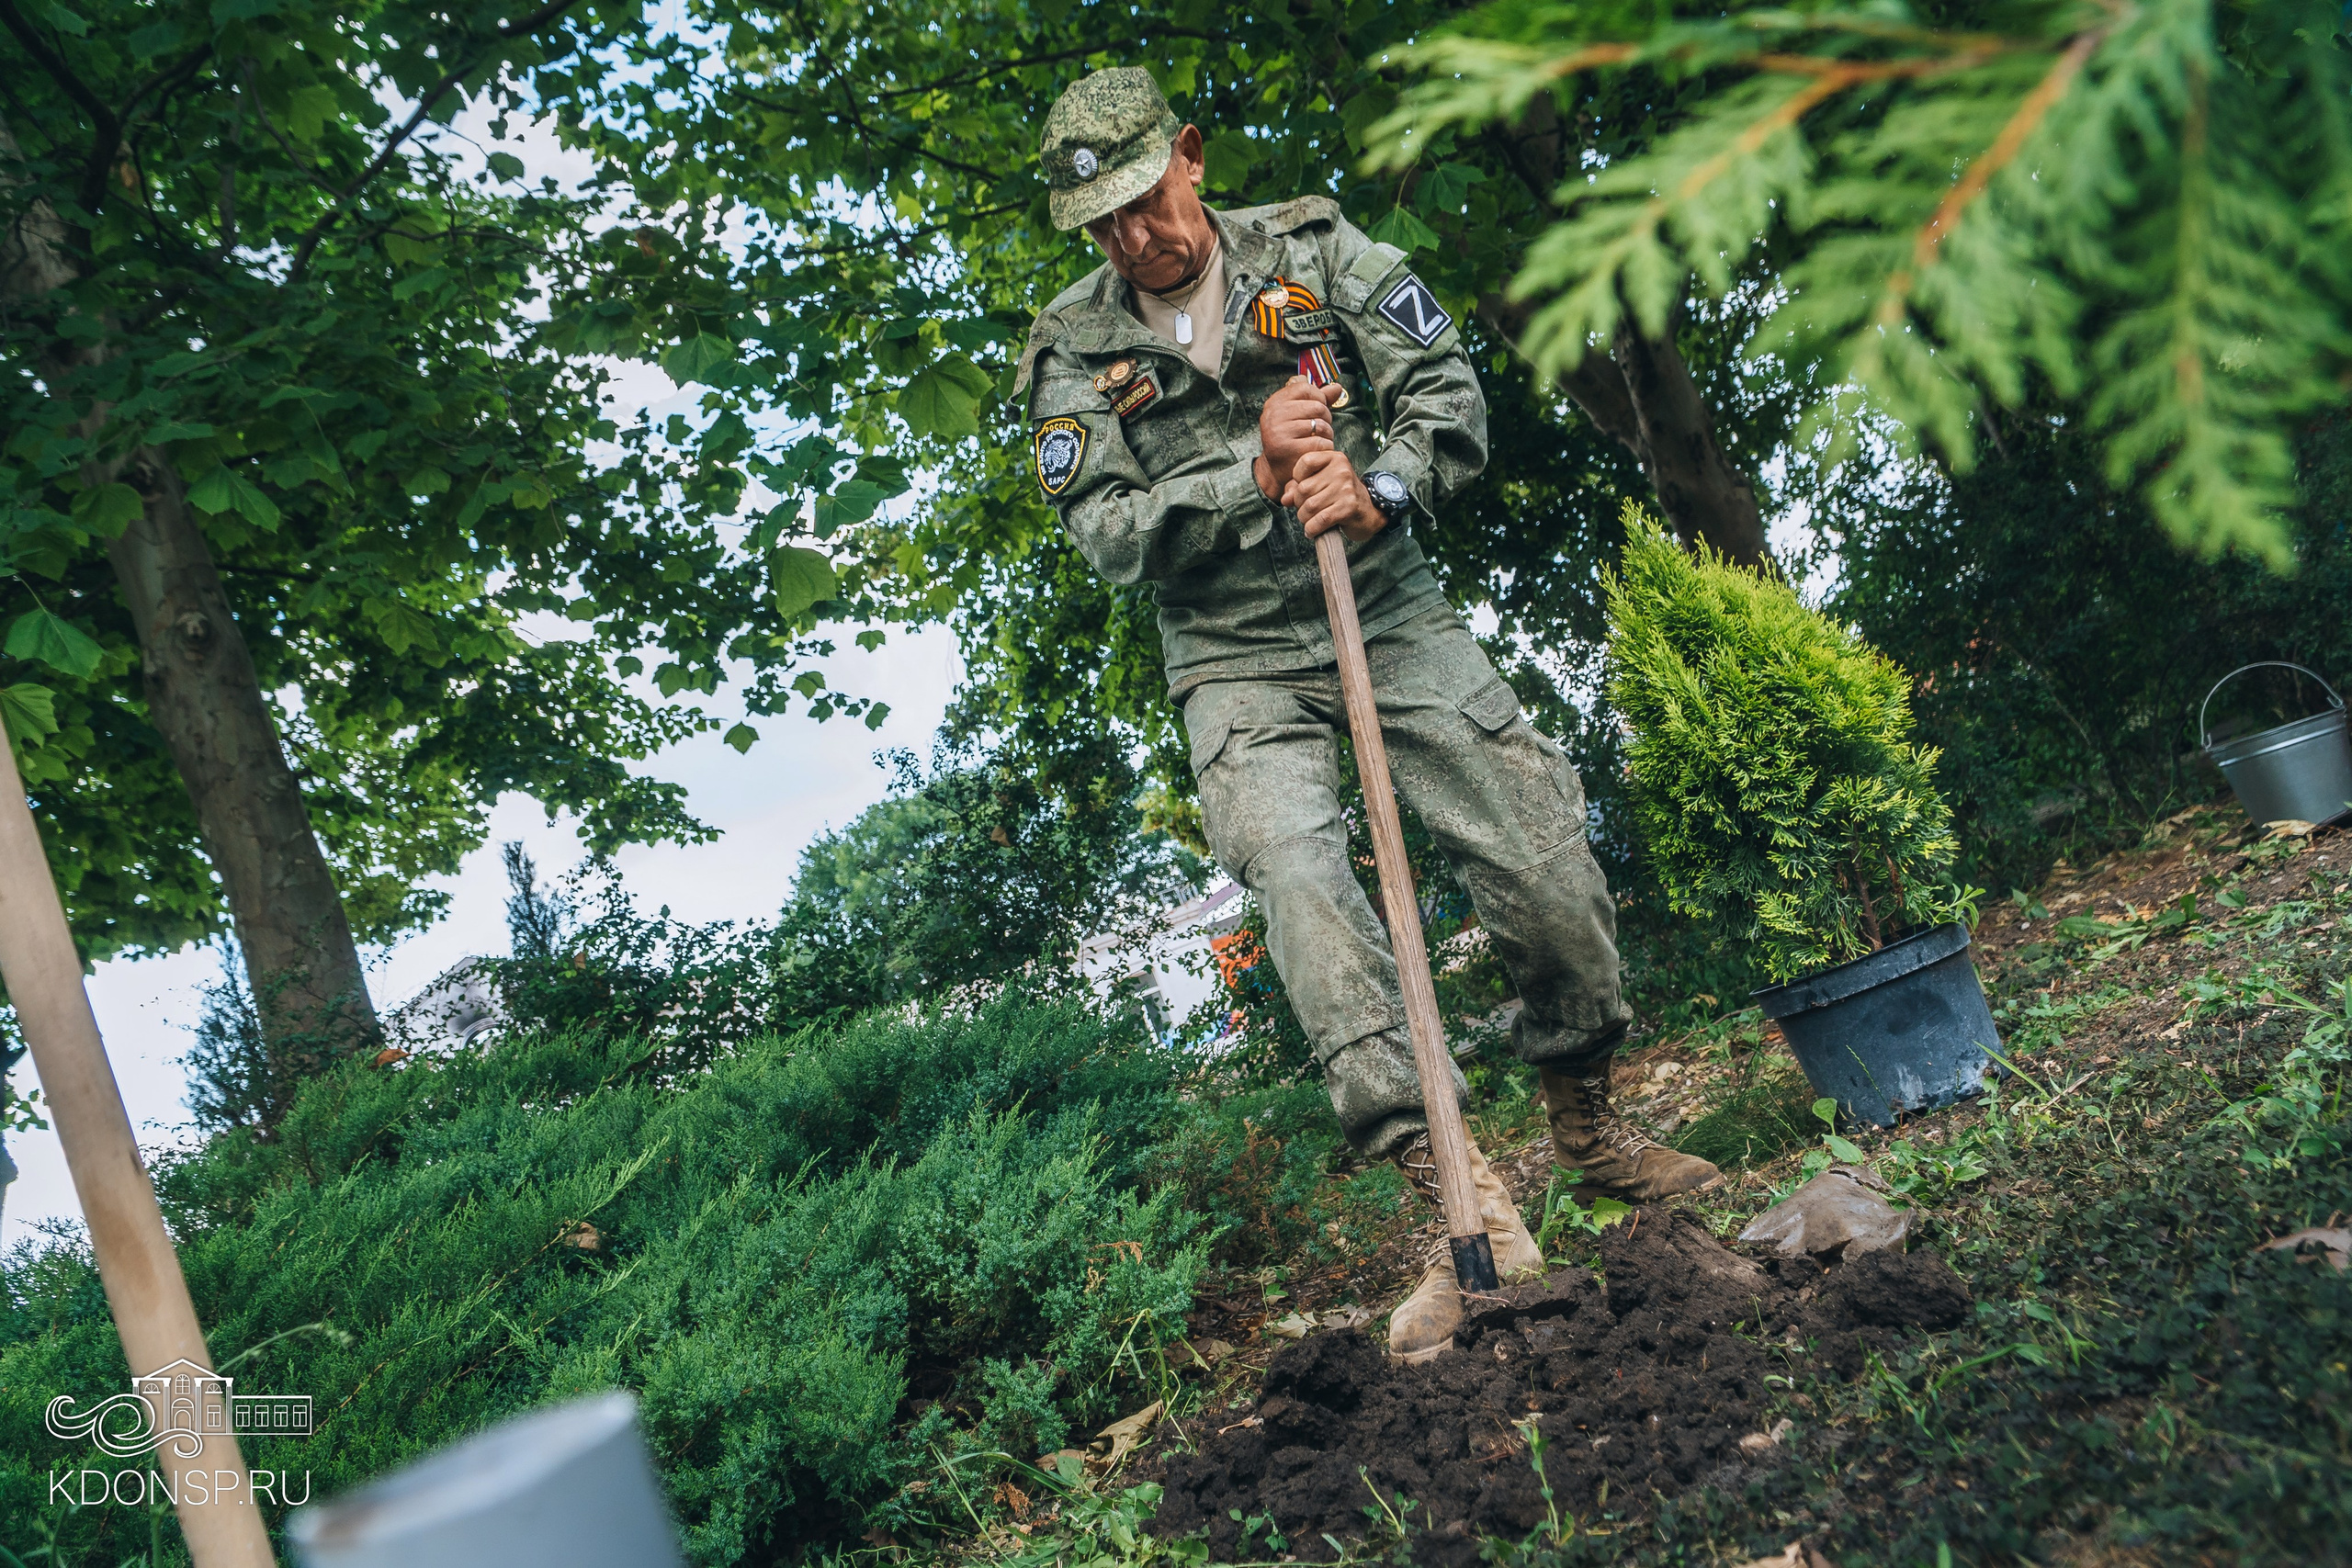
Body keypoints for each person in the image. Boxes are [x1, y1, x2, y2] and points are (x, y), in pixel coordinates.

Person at [1015, 68, 1720, 1360]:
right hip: (1231, 656)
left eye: (1141, 201)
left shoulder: (1320, 252)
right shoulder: (1069, 348)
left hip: (1386, 604)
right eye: (1099, 224)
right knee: (1300, 886)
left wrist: (1382, 485)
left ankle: (1588, 1129)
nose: (1130, 238)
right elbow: (1108, 537)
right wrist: (1253, 465)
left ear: (1191, 154)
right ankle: (1463, 1202)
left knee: (1539, 850)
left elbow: (1447, 391)